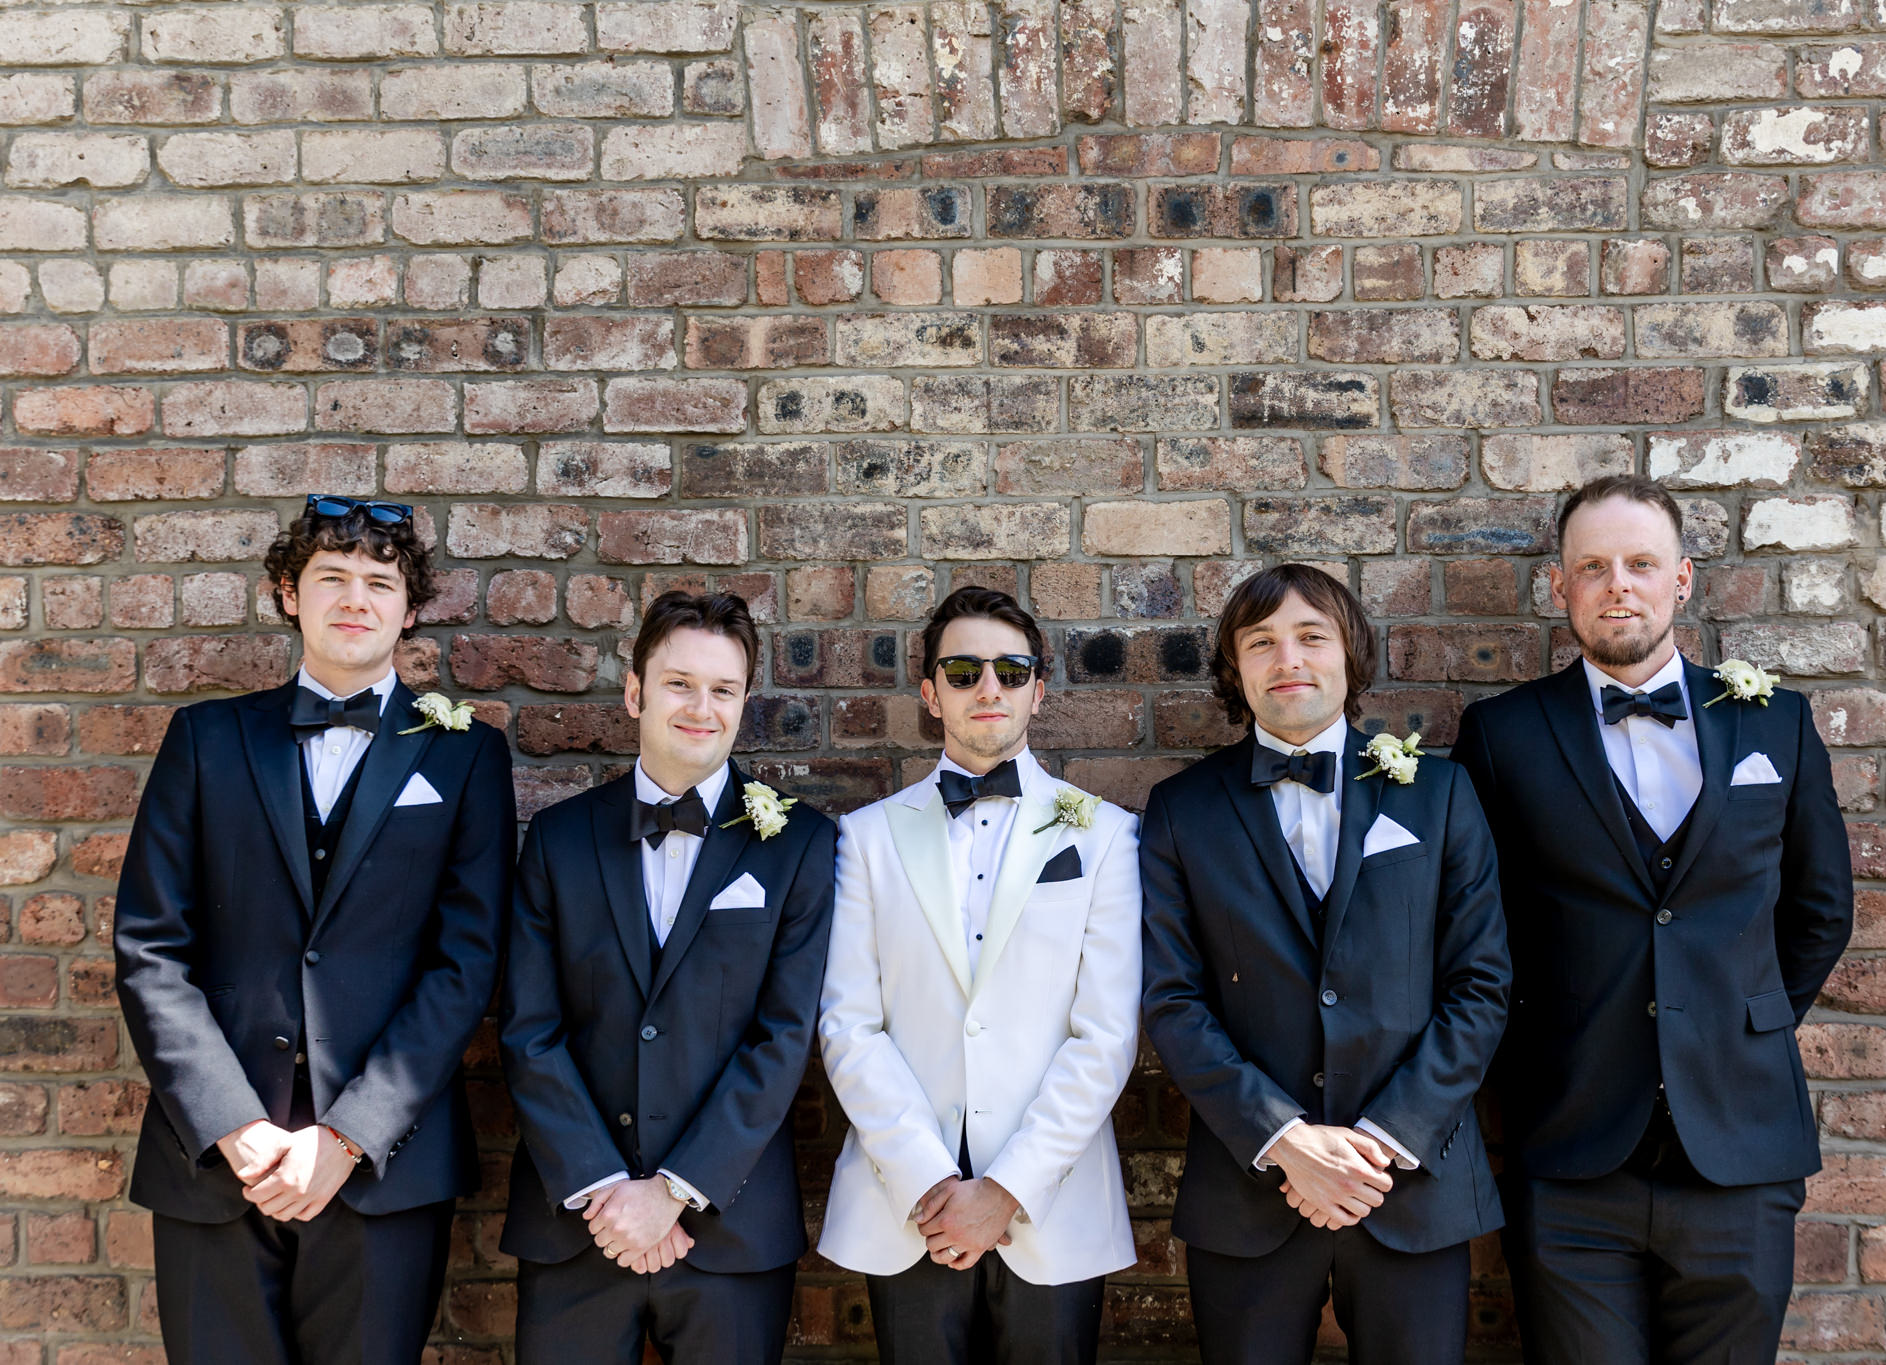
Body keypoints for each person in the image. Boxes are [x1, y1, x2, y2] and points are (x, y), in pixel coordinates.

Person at [1450, 473, 1854, 1364]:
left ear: (1683, 578)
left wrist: (1738, 1018)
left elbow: (1820, 911)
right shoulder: (1500, 735)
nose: (1616, 583)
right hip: (1572, 1147)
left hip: (1741, 1148)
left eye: (1640, 562)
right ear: (1559, 587)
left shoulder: (1775, 723)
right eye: (1592, 566)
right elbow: (1475, 930)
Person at [115, 495, 514, 1365]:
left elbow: (466, 964)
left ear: (411, 610)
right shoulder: (206, 739)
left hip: (383, 1171)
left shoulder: (465, 757)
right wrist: (233, 1124)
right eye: (331, 576)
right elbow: (150, 949)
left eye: (380, 581)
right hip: (218, 1168)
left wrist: (349, 1136)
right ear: (289, 594)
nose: (355, 598)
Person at [1140, 563, 1511, 1365]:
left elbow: (1481, 988)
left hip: (1409, 1185)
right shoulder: (1182, 809)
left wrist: (1379, 1139)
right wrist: (1287, 1143)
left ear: (1352, 654)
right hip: (1250, 1193)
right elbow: (1173, 1000)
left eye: (1312, 636)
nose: (1289, 659)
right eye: (1262, 642)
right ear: (1236, 669)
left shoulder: (1440, 795)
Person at [498, 590, 833, 1365]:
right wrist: (605, 1188)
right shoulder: (558, 839)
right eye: (680, 682)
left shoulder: (800, 844)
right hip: (577, 1228)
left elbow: (783, 1038)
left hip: (731, 1230)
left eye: (723, 689)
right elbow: (528, 1028)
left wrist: (674, 1189)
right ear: (635, 690)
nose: (701, 707)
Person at [818, 585, 1141, 1365]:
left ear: (1039, 686)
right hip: (907, 1206)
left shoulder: (1102, 835)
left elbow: (1106, 1033)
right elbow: (848, 1024)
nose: (987, 687)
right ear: (931, 693)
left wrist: (1005, 1190)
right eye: (962, 671)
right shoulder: (865, 838)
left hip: (1050, 1204)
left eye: (1009, 668)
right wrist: (932, 1180)